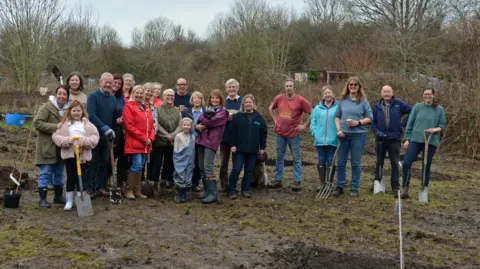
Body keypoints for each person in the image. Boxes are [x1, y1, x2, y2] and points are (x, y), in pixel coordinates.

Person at [52, 100, 99, 211]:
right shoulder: (65, 124)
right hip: (70, 155)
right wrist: (68, 140)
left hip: (83, 155)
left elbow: (95, 137)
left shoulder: (88, 124)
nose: (76, 113)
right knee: (71, 178)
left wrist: (84, 141)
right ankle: (69, 200)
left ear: (82, 112)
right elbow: (56, 137)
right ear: (70, 111)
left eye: (79, 110)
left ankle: (81, 201)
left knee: (83, 179)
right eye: (74, 110)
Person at [401, 88, 446, 200]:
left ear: (433, 95)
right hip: (415, 140)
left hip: (430, 141)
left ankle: (424, 187)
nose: (427, 96)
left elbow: (442, 125)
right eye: (425, 94)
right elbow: (410, 123)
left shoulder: (439, 109)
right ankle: (405, 188)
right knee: (406, 163)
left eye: (429, 94)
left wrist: (435, 130)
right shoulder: (417, 107)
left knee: (426, 165)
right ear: (423, 95)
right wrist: (407, 139)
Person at [268, 79, 312, 191]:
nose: (288, 87)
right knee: (279, 157)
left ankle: (297, 181)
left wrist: (305, 125)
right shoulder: (279, 98)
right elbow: (271, 108)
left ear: (294, 88)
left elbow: (312, 112)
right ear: (284, 87)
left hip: (293, 134)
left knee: (296, 158)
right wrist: (275, 121)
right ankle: (278, 180)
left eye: (290, 86)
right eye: (286, 86)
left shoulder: (300, 100)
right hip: (280, 134)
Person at [333, 77, 373, 198]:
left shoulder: (364, 101)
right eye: (351, 84)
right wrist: (339, 129)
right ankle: (340, 186)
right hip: (343, 136)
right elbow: (337, 116)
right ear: (348, 86)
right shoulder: (342, 100)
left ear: (359, 86)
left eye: (355, 84)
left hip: (358, 136)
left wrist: (358, 123)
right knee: (341, 162)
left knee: (355, 163)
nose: (353, 86)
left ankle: (354, 188)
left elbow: (370, 117)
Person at [33, 85, 70, 208]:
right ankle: (42, 199)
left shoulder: (67, 110)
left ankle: (58, 196)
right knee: (46, 172)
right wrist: (55, 127)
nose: (62, 96)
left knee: (59, 172)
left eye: (64, 94)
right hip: (47, 146)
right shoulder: (47, 107)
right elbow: (37, 123)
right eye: (60, 93)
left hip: (61, 146)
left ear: (67, 97)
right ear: (55, 94)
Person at [371, 85, 412, 197]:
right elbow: (372, 122)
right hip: (380, 138)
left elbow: (412, 111)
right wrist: (377, 132)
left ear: (392, 93)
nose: (387, 94)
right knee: (379, 162)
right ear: (381, 93)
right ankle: (377, 182)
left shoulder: (399, 104)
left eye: (388, 92)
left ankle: (395, 186)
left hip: (394, 138)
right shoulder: (377, 106)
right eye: (384, 92)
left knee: (395, 163)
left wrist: (402, 124)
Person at [226, 94, 267, 199]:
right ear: (243, 104)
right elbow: (232, 132)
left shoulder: (259, 118)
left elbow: (263, 134)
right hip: (239, 149)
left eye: (250, 102)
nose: (248, 104)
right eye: (246, 102)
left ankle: (246, 189)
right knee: (237, 169)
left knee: (249, 170)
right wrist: (233, 145)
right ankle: (231, 190)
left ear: (253, 104)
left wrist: (262, 147)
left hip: (253, 150)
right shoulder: (238, 117)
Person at [86, 72, 117, 197]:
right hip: (94, 134)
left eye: (110, 82)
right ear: (100, 82)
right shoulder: (93, 96)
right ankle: (91, 188)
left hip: (107, 136)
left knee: (104, 162)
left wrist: (113, 129)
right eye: (106, 82)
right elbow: (91, 115)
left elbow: (113, 116)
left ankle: (100, 186)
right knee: (93, 161)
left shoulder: (112, 98)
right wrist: (103, 127)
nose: (108, 85)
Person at [122, 85, 155, 199]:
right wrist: (144, 138)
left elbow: (151, 126)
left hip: (146, 144)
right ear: (132, 93)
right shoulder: (129, 107)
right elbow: (129, 126)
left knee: (140, 166)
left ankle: (137, 190)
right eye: (137, 93)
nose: (139, 95)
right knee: (136, 165)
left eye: (141, 93)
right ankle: (129, 190)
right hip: (135, 142)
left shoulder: (146, 108)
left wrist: (151, 138)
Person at [196, 89, 229, 204]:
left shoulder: (223, 112)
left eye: (217, 98)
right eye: (212, 98)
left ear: (221, 99)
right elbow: (200, 118)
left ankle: (213, 192)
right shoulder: (207, 110)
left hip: (211, 142)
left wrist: (203, 123)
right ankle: (207, 190)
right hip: (201, 140)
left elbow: (210, 121)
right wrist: (203, 121)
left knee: (208, 167)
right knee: (201, 167)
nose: (214, 100)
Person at [151, 89, 182, 191]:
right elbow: (157, 124)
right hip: (159, 141)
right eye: (168, 95)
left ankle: (167, 180)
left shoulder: (177, 111)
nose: (170, 97)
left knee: (169, 162)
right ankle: (154, 181)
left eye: (172, 96)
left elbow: (180, 125)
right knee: (157, 162)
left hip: (172, 142)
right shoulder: (157, 110)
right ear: (163, 97)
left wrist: (172, 135)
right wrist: (166, 134)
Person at [310, 85, 339, 191]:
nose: (327, 95)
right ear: (323, 95)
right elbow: (313, 121)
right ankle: (322, 183)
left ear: (332, 94)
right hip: (320, 140)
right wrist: (314, 132)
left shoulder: (338, 107)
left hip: (333, 139)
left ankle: (329, 183)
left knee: (331, 160)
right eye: (325, 93)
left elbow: (341, 119)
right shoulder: (318, 108)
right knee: (321, 160)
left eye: (329, 93)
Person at [219, 78, 243, 192]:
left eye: (234, 87)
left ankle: (233, 184)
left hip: (237, 138)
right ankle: (223, 185)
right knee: (223, 162)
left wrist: (236, 117)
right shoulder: (222, 102)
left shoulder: (242, 101)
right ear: (226, 89)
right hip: (224, 136)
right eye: (229, 87)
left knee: (236, 163)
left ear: (237, 88)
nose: (232, 89)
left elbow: (246, 116)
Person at [181, 91, 205, 192]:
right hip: (188, 139)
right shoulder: (186, 112)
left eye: (199, 98)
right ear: (192, 100)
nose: (197, 100)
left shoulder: (206, 111)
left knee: (198, 163)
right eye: (195, 98)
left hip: (201, 140)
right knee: (188, 161)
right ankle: (186, 182)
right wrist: (195, 127)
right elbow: (182, 126)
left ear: (201, 100)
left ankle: (195, 183)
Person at [111, 74, 128, 191]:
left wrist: (122, 119)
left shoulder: (120, 98)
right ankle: (106, 182)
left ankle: (120, 182)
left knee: (123, 157)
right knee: (108, 159)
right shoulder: (105, 96)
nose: (117, 85)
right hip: (107, 131)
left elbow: (124, 111)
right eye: (115, 82)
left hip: (119, 130)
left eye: (119, 83)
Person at [173, 117, 196, 203]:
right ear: (181, 126)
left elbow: (193, 149)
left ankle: (184, 193)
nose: (186, 127)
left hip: (190, 160)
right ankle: (178, 193)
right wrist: (177, 160)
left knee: (188, 177)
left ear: (191, 126)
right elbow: (175, 150)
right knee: (180, 176)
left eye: (188, 125)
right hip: (180, 160)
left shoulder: (193, 136)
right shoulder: (178, 136)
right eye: (184, 125)